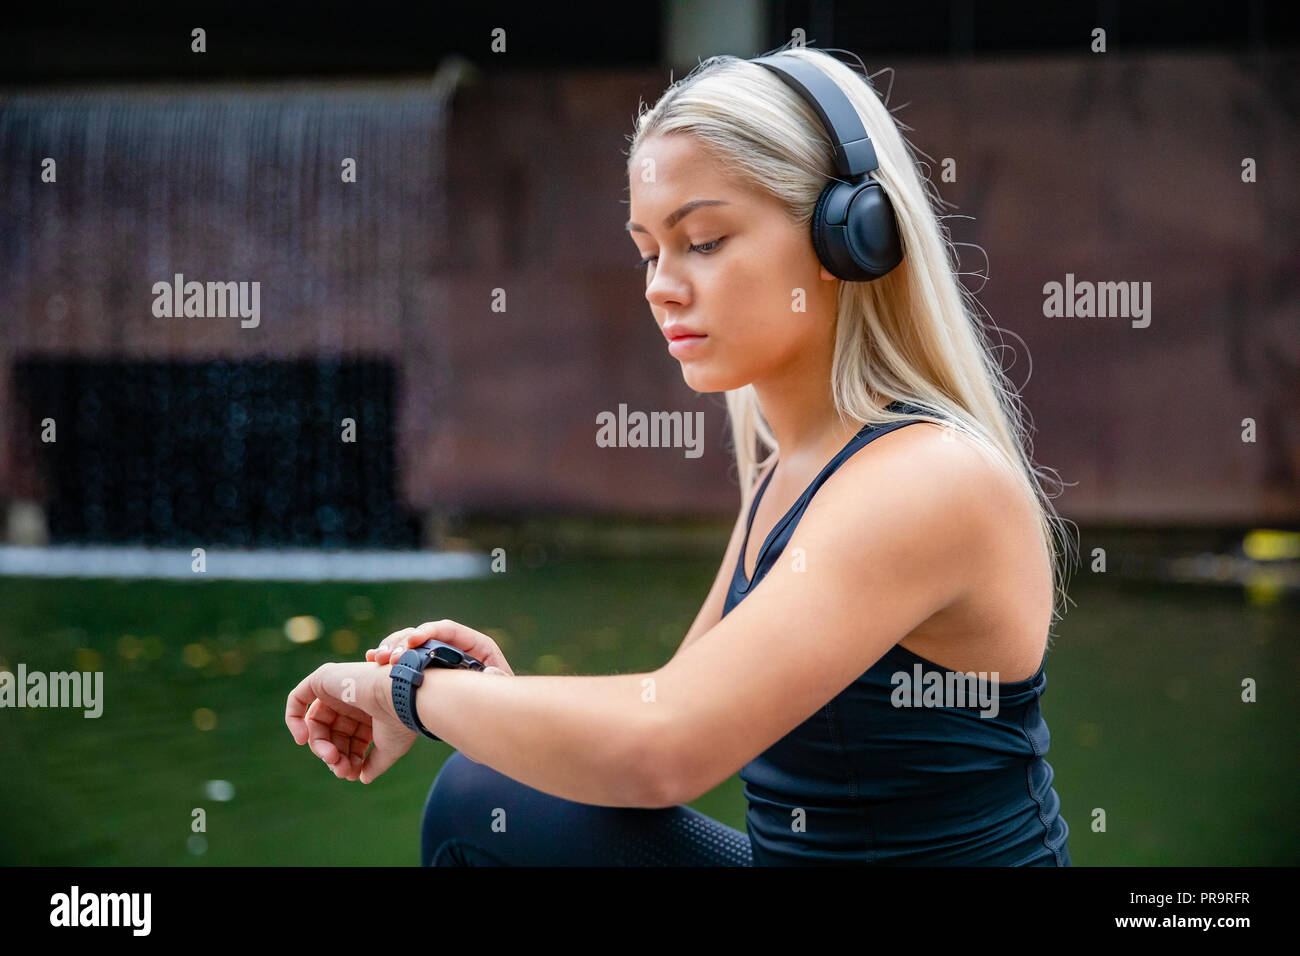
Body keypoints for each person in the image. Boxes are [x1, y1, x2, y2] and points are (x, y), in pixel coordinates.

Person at [285, 44, 1075, 866]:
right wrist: (489, 704)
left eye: (702, 240)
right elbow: (677, 707)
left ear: (850, 237)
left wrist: (405, 691)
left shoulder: (927, 478)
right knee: (486, 799)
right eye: (647, 250)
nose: (661, 283)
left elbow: (664, 747)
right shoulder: (789, 474)